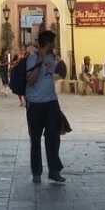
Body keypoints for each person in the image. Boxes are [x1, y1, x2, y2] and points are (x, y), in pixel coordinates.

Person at [25, 29, 65, 184]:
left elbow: (54, 74)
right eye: (53, 43)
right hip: (35, 104)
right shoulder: (32, 58)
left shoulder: (51, 56)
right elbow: (30, 80)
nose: (54, 45)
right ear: (47, 43)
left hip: (51, 103)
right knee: (35, 139)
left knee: (53, 138)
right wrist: (39, 62)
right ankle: (37, 172)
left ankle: (54, 170)